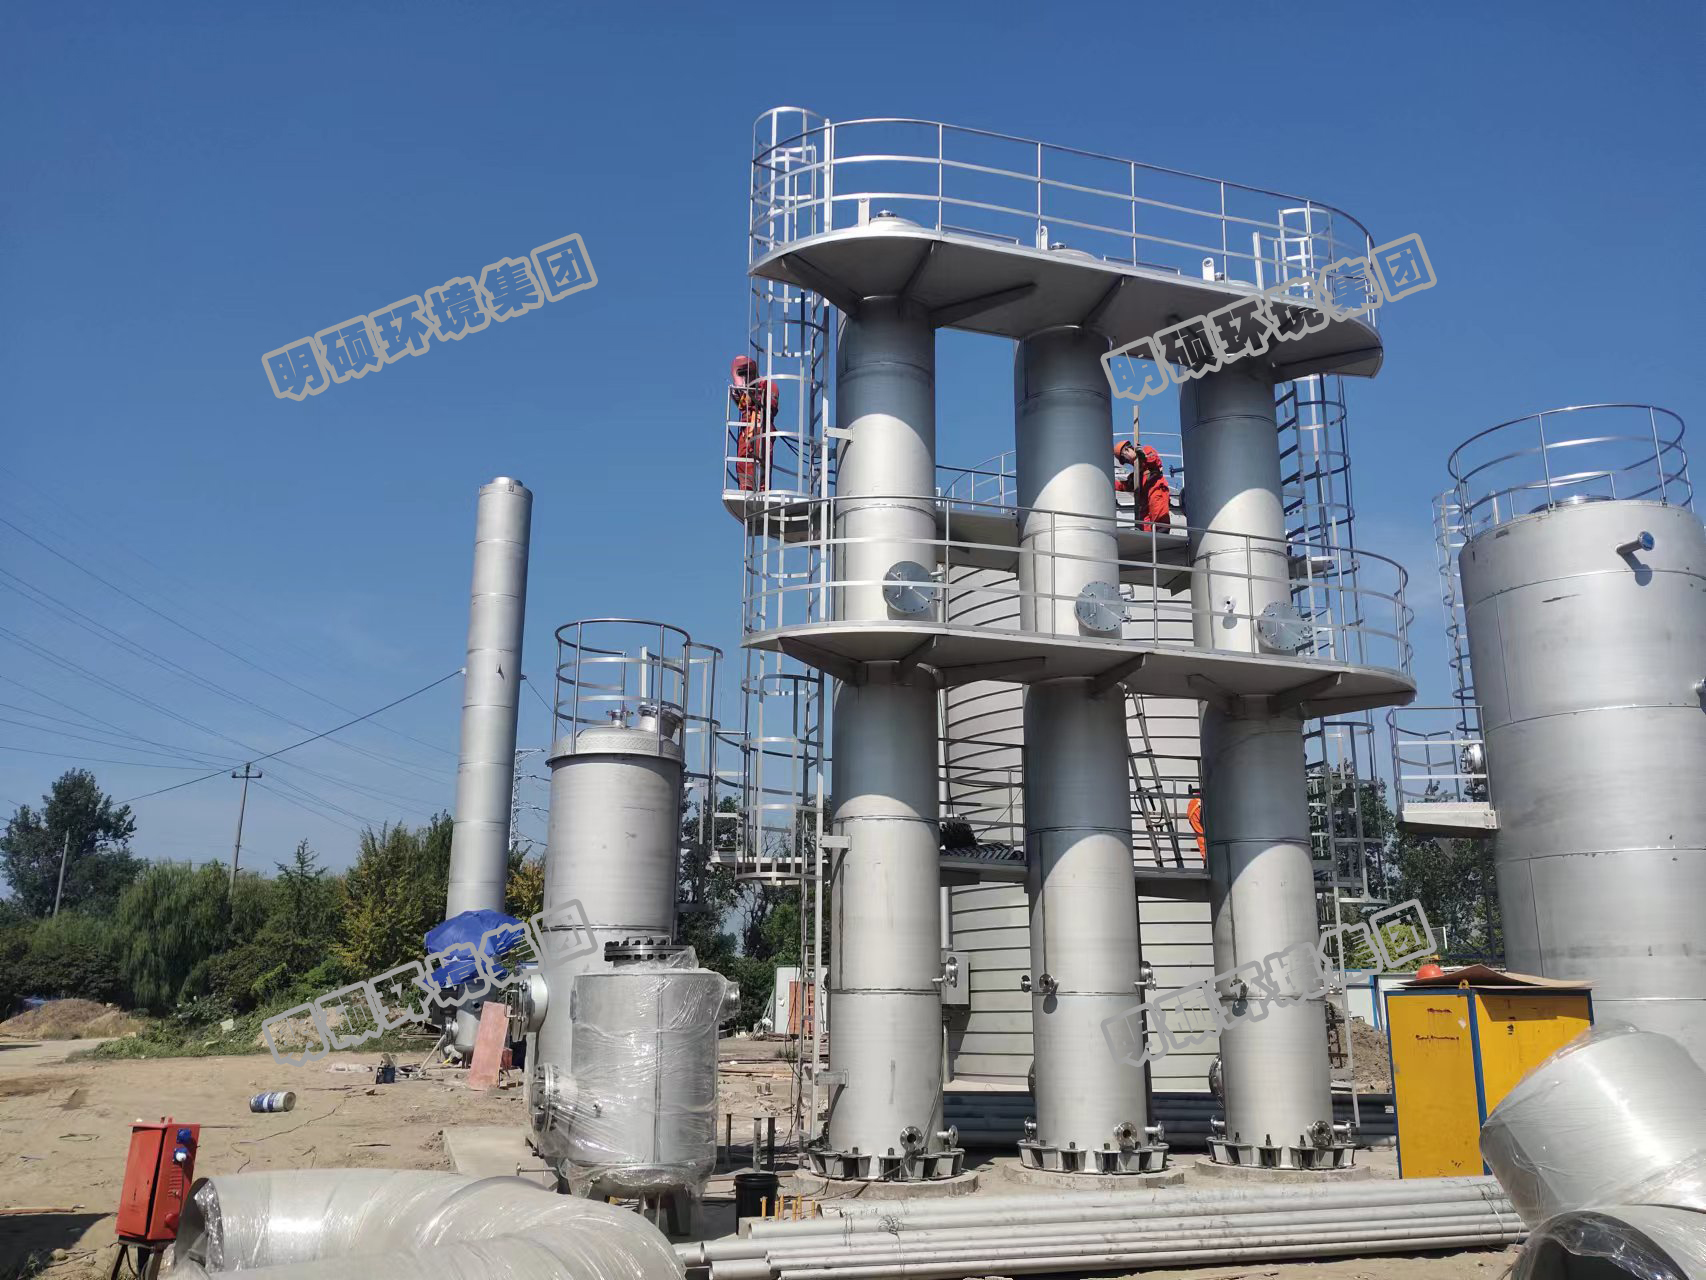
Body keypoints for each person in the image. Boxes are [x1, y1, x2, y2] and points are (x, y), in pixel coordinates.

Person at [729, 356, 779, 492]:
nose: (745, 377)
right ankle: (746, 486)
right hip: (746, 427)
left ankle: (762, 487)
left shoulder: (768, 384)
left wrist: (753, 396)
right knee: (743, 457)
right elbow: (743, 407)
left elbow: (772, 406)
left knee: (762, 456)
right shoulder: (744, 388)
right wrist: (738, 396)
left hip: (762, 426)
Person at [1114, 438, 1171, 532]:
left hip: (1155, 488)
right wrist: (1110, 483)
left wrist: (1142, 456)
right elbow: (1126, 485)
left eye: (1124, 459)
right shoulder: (1137, 474)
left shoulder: (1146, 450)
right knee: (1144, 524)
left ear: (1127, 450)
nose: (1127, 462)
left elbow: (1154, 461)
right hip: (1145, 500)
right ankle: (1149, 538)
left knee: (1159, 516)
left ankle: (1161, 535)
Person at [1186, 786, 1205, 860]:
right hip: (1198, 804)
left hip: (1196, 805)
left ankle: (1206, 858)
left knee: (1201, 834)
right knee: (1201, 834)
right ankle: (1206, 857)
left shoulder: (1193, 803)